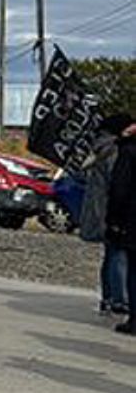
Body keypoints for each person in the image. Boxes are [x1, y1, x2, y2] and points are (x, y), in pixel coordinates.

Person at [81, 115, 128, 316]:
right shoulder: (115, 150)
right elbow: (119, 182)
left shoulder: (100, 147)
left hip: (99, 209)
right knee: (119, 253)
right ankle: (120, 299)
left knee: (111, 254)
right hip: (111, 209)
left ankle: (109, 298)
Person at [103, 114, 136, 335]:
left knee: (132, 268)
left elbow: (119, 189)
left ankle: (131, 314)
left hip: (131, 219)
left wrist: (113, 220)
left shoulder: (128, 151)